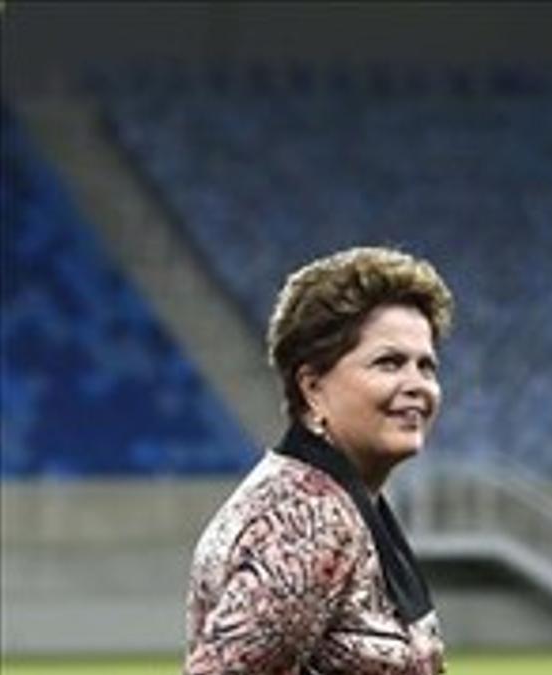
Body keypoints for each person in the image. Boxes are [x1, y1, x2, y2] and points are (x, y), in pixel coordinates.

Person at [185, 246, 453, 674]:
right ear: (312, 388)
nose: (417, 385)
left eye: (427, 367)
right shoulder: (307, 521)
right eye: (389, 363)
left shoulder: (330, 499)